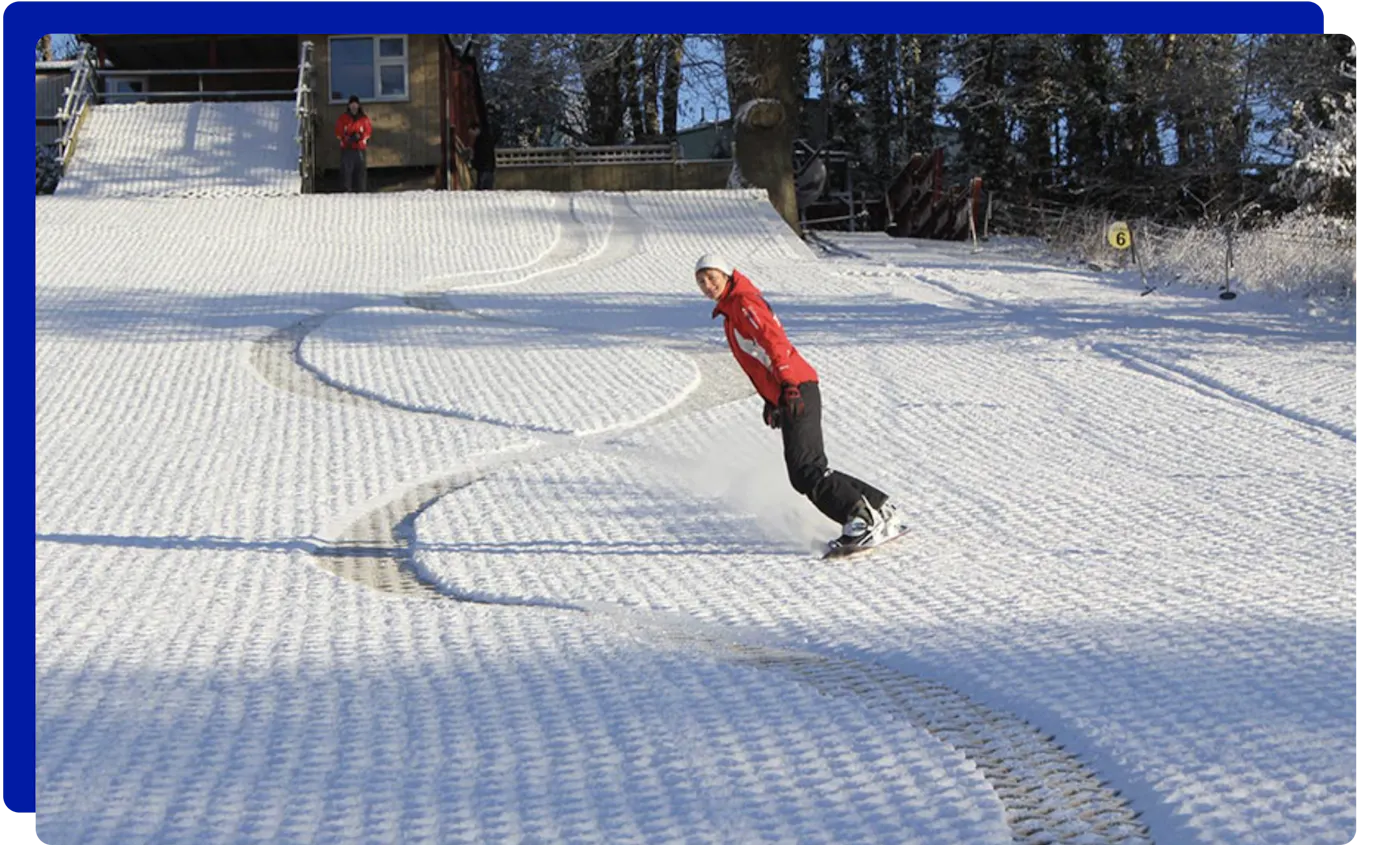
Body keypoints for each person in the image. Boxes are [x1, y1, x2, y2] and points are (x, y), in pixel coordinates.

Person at [694, 254, 904, 555]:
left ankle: (859, 519)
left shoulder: (743, 304)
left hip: (797, 385)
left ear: (727, 276)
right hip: (791, 388)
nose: (707, 285)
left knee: (805, 470)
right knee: (812, 465)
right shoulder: (733, 308)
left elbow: (774, 342)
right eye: (701, 281)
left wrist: (788, 384)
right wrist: (773, 398)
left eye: (712, 277)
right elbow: (759, 358)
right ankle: (881, 509)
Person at [335, 95, 372, 193]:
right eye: (352, 105)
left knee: (361, 171)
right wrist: (347, 138)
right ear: (349, 106)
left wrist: (360, 137)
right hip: (347, 148)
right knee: (347, 171)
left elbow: (368, 131)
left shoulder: (363, 119)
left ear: (359, 106)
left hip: (360, 148)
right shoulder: (343, 118)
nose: (354, 107)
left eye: (356, 105)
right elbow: (338, 132)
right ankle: (346, 190)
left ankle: (361, 190)